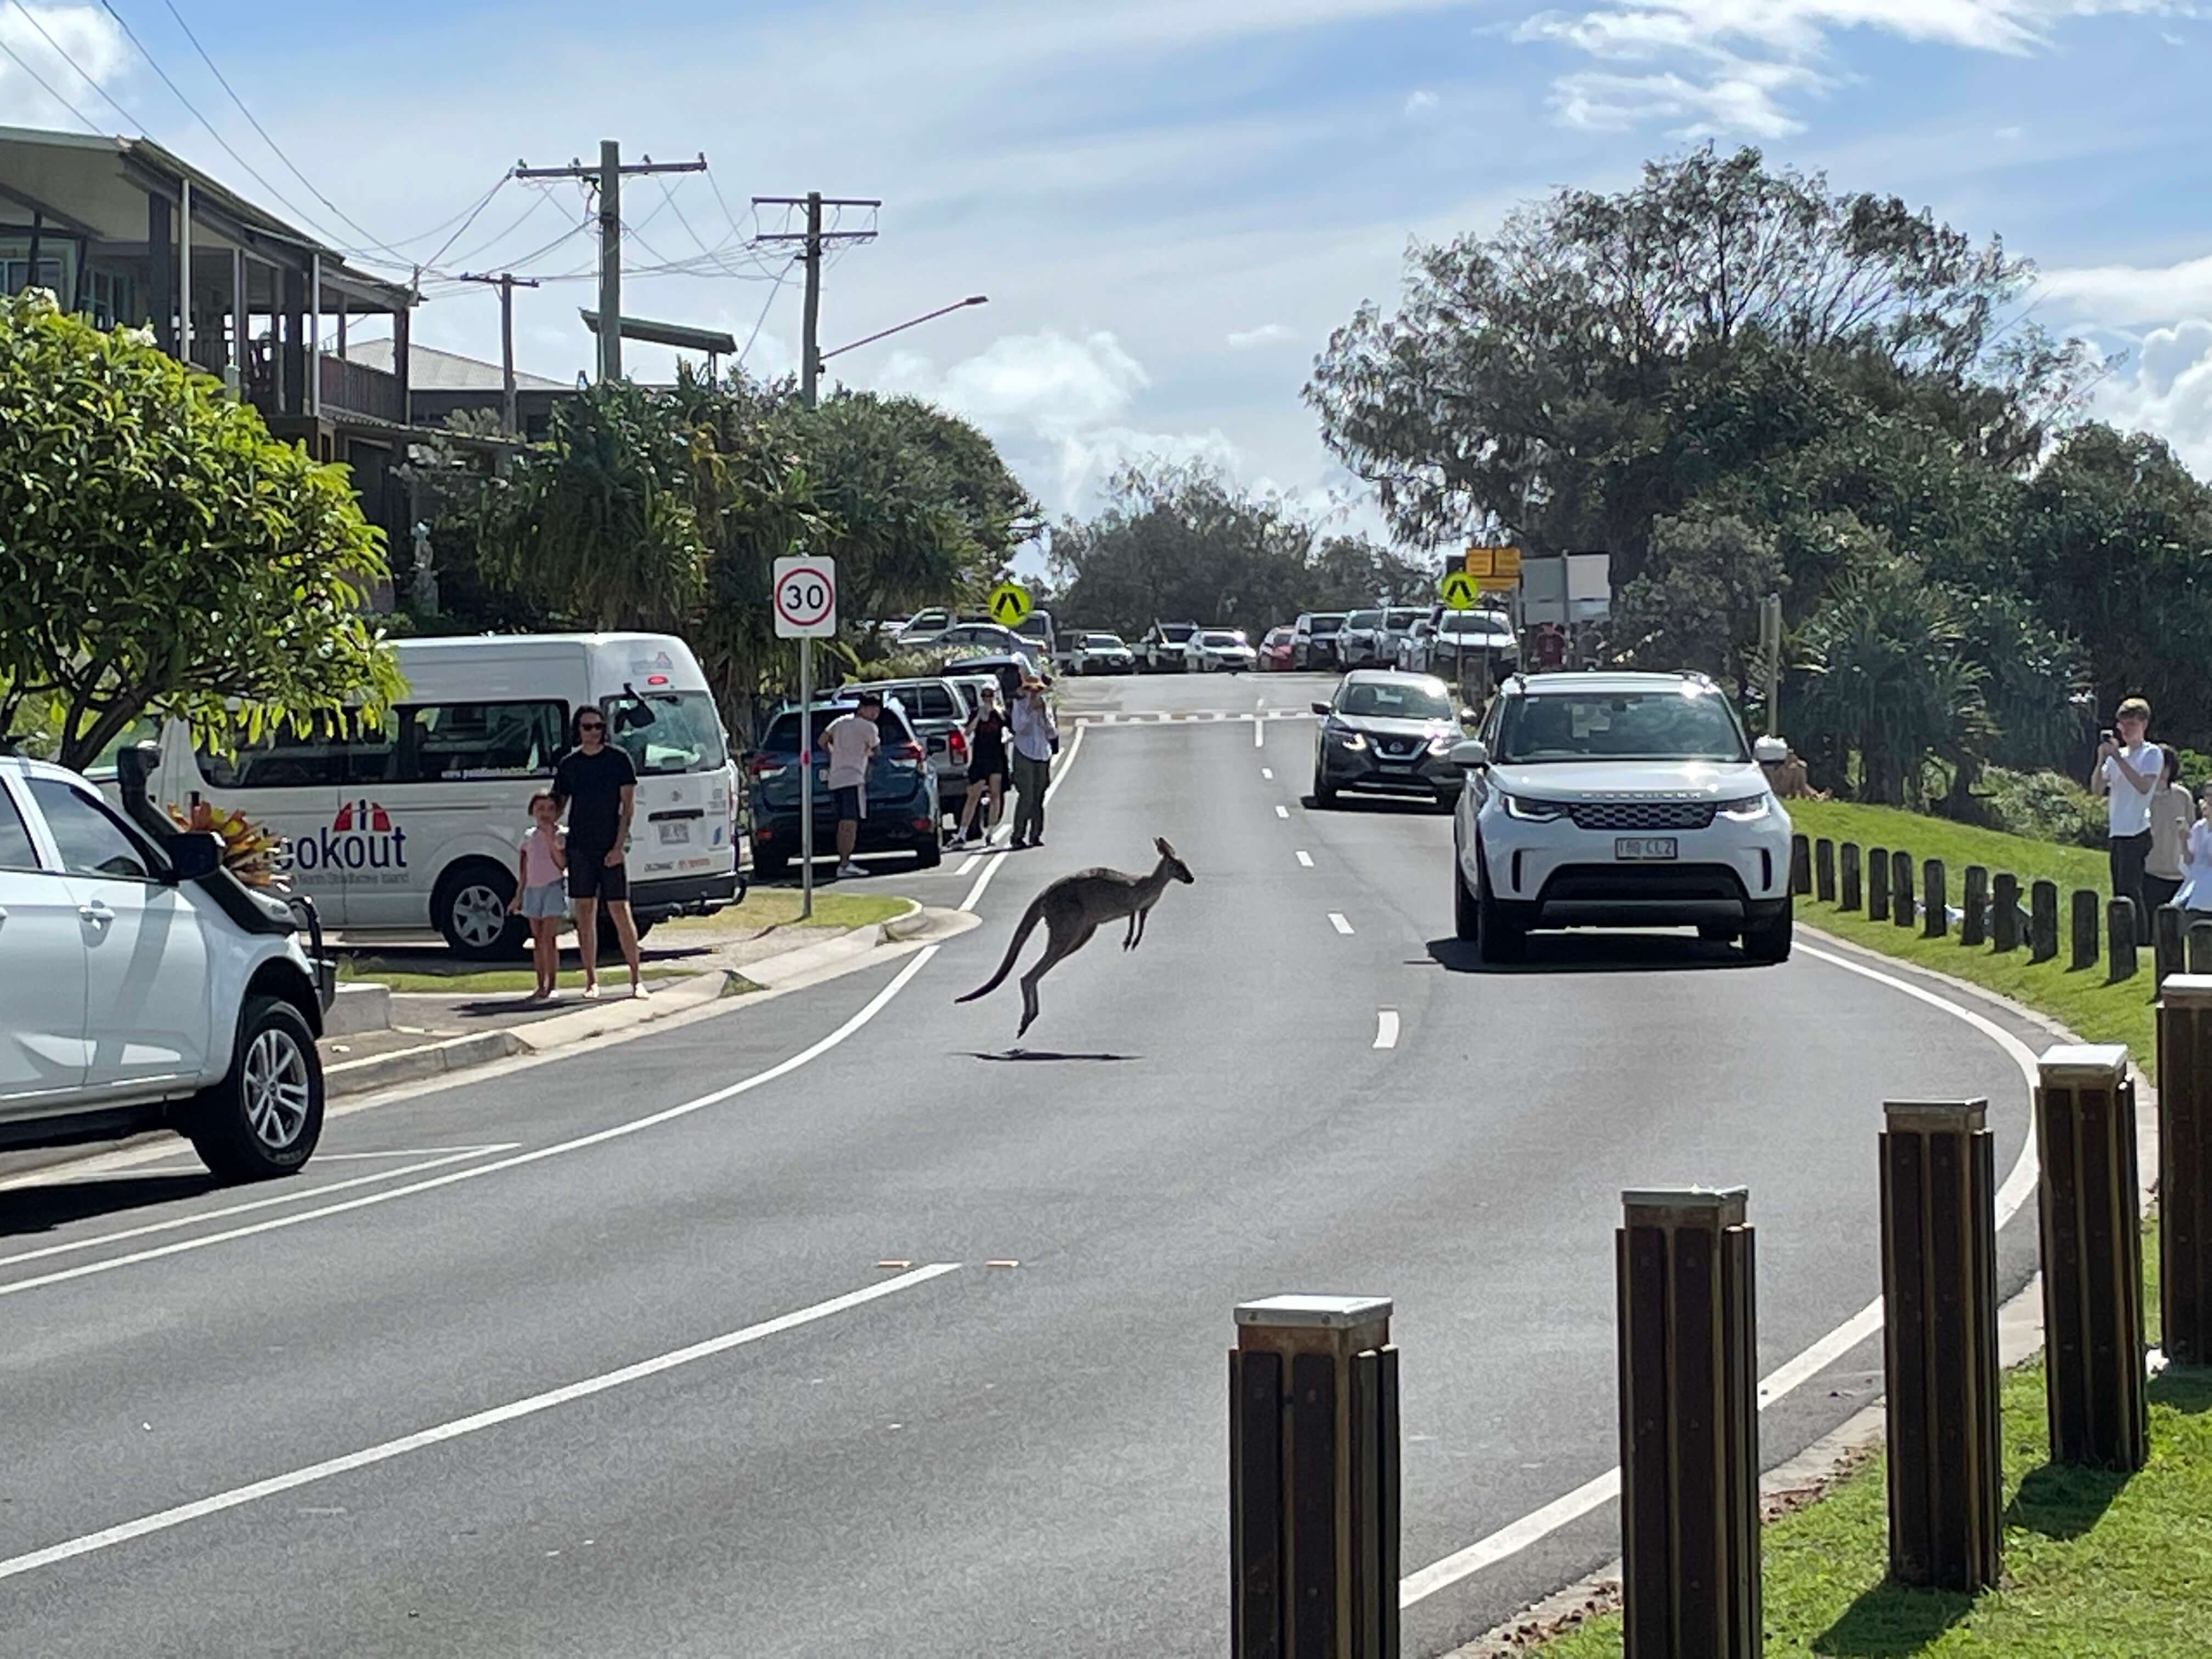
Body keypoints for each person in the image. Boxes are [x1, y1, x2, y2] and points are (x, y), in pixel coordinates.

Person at [552, 707, 645, 1000]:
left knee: (619, 909)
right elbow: (558, 804)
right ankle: (591, 980)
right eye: (586, 727)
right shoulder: (570, 764)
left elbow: (627, 808)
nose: (592, 732)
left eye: (597, 727)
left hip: (610, 846)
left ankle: (636, 979)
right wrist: (551, 835)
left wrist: (618, 847)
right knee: (585, 912)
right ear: (577, 730)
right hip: (580, 846)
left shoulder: (619, 760)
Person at [2090, 697, 2164, 922]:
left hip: (2137, 830)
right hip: (2118, 831)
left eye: (2132, 725)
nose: (2127, 730)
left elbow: (2143, 786)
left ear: (2144, 724)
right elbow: (2096, 789)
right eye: (2124, 725)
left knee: (2132, 889)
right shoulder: (2117, 756)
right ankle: (2122, 931)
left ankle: (2140, 937)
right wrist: (2102, 758)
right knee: (2119, 889)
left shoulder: (2151, 754)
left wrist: (2118, 760)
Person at [822, 691, 882, 879]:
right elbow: (877, 749)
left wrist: (834, 752)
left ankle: (844, 861)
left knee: (843, 823)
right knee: (850, 823)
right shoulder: (869, 728)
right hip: (853, 778)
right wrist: (866, 754)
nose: (875, 714)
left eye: (877, 710)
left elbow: (822, 740)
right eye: (872, 709)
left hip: (836, 778)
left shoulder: (840, 722)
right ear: (862, 708)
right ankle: (845, 864)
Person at [515, 791, 569, 1001]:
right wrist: (519, 894)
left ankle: (553, 984)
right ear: (533, 812)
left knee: (549, 937)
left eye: (550, 809)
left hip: (553, 887)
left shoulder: (561, 834)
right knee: (537, 939)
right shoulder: (529, 836)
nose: (545, 814)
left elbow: (562, 863)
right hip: (532, 890)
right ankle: (540, 984)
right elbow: (524, 869)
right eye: (540, 809)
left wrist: (551, 839)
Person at [954, 683, 1008, 847]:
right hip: (980, 758)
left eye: (990, 695)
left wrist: (997, 712)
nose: (987, 699)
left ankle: (991, 832)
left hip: (996, 758)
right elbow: (968, 731)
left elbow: (1009, 730)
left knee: (995, 794)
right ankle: (962, 833)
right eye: (984, 695)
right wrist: (979, 717)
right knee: (973, 795)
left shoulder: (1000, 714)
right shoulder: (976, 713)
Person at [1007, 677, 1058, 850]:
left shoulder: (1045, 706)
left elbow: (1052, 733)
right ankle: (1018, 835)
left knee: (1039, 795)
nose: (1034, 694)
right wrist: (1029, 711)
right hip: (1024, 752)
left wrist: (1043, 714)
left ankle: (1036, 834)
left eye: (1037, 691)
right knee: (1026, 795)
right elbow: (1018, 728)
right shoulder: (1019, 705)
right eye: (1030, 690)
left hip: (1042, 754)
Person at [2146, 747, 2193, 913]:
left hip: (2178, 873)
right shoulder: (2144, 796)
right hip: (2150, 870)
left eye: (2165, 764)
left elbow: (2192, 831)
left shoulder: (2183, 796)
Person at [2177, 782, 2212, 917]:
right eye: (2207, 795)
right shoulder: (2199, 828)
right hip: (2195, 890)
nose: (2209, 800)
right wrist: (2183, 841)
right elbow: (2189, 862)